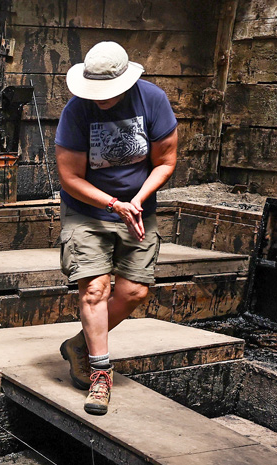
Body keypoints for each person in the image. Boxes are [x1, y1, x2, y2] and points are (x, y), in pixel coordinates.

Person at [53, 41, 179, 415]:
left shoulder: (153, 101)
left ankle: (80, 344)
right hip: (87, 211)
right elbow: (70, 177)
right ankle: (100, 373)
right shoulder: (76, 112)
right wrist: (112, 203)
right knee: (95, 288)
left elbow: (166, 160)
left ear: (126, 82)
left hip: (137, 208)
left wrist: (138, 198)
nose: (100, 98)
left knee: (135, 291)